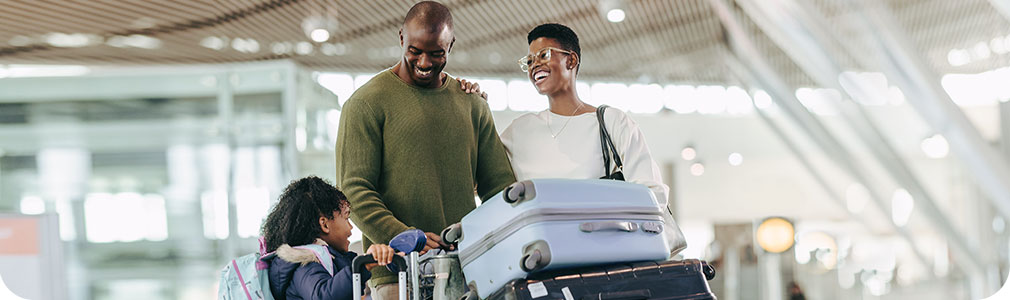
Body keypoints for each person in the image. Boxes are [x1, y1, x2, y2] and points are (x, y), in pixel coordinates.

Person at [334, 1, 516, 298]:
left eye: (436, 53)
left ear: (451, 45)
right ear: (401, 38)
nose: (424, 62)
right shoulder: (365, 103)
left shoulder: (472, 104)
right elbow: (354, 190)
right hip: (397, 274)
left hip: (466, 269)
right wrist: (405, 236)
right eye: (415, 51)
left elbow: (500, 188)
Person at [499, 23, 670, 204]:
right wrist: (473, 101)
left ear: (571, 60)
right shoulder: (519, 131)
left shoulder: (611, 122)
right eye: (529, 61)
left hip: (601, 231)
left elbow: (652, 193)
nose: (535, 65)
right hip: (539, 232)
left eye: (544, 55)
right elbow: (480, 178)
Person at [261, 176, 398, 300]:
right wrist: (362, 265)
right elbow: (324, 296)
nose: (350, 228)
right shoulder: (304, 264)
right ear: (324, 224)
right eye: (346, 218)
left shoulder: (327, 261)